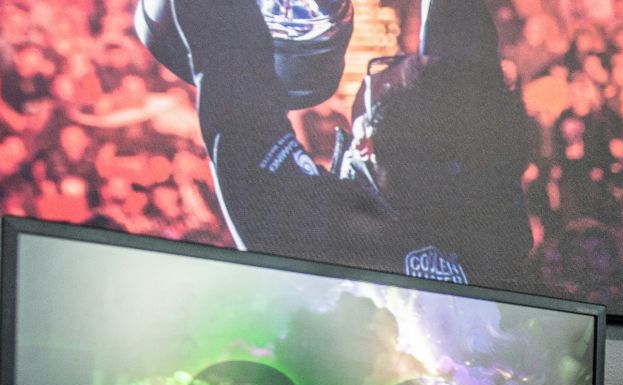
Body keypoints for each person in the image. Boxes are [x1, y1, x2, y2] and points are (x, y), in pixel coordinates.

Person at [146, 0, 533, 285]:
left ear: (365, 142)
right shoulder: (493, 221)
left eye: (388, 67)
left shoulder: (308, 238)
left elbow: (228, 56)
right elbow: (465, 71)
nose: (389, 59)